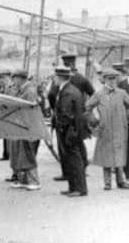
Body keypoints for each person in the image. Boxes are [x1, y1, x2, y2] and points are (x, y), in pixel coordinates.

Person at [85, 69, 129, 190]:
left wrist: (126, 119)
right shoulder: (99, 94)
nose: (112, 81)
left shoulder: (122, 93)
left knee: (119, 154)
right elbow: (87, 107)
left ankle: (121, 181)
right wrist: (94, 121)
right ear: (104, 79)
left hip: (120, 129)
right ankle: (107, 182)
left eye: (114, 78)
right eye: (109, 78)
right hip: (106, 130)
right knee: (107, 155)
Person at [54, 66, 88, 197]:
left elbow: (66, 114)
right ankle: (73, 187)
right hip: (73, 130)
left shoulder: (67, 92)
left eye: (55, 77)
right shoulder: (72, 89)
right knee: (71, 159)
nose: (54, 79)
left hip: (69, 131)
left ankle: (79, 189)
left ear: (60, 77)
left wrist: (61, 127)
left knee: (74, 159)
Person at [9, 69, 41, 190]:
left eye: (14, 78)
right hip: (21, 126)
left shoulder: (30, 91)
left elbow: (32, 110)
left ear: (20, 78)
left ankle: (34, 181)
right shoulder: (22, 90)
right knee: (20, 154)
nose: (13, 81)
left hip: (28, 127)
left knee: (28, 154)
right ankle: (23, 180)